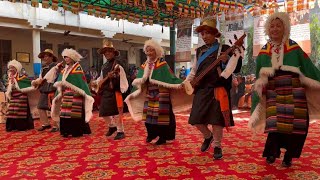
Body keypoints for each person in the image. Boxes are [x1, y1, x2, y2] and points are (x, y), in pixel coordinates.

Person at [249, 12, 320, 167]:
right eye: (272, 26)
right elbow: (259, 75)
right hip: (274, 92)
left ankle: (289, 155)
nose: (275, 29)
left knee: (298, 124)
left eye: (278, 25)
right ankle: (272, 153)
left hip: (295, 92)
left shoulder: (294, 47)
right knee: (274, 124)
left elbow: (308, 68)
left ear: (285, 28)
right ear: (268, 29)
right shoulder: (263, 50)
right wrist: (260, 88)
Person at [185, 16, 242, 159]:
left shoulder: (225, 49)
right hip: (202, 88)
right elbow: (194, 70)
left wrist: (227, 59)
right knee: (196, 119)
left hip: (218, 88)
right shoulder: (199, 51)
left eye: (208, 33)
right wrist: (186, 82)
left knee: (217, 120)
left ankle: (217, 145)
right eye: (202, 33)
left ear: (215, 33)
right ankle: (207, 136)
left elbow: (235, 68)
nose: (204, 36)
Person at [125, 39, 191, 145]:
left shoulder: (162, 64)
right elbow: (140, 79)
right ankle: (151, 134)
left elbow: (170, 78)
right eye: (148, 50)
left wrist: (181, 84)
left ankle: (163, 137)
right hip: (150, 93)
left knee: (162, 118)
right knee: (148, 117)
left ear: (157, 51)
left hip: (162, 93)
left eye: (152, 50)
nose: (149, 53)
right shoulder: (144, 65)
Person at [44, 48, 94, 137]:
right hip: (66, 93)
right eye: (64, 57)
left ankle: (76, 131)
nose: (65, 59)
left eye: (67, 57)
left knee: (74, 112)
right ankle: (66, 131)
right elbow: (60, 80)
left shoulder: (77, 68)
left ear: (72, 57)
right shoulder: (65, 69)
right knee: (64, 112)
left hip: (76, 94)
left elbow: (80, 81)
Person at [92, 40, 128, 140]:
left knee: (117, 113)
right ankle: (112, 127)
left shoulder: (118, 65)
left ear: (113, 52)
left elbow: (124, 78)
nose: (107, 53)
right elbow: (101, 78)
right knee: (103, 112)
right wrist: (95, 83)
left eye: (109, 51)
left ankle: (121, 131)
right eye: (105, 52)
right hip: (106, 91)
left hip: (115, 91)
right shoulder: (104, 66)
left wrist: (122, 90)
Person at [32, 49, 59, 132]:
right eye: (43, 56)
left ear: (51, 57)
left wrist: (56, 88)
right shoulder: (43, 68)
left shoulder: (57, 66)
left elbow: (59, 78)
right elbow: (41, 78)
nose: (44, 58)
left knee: (54, 108)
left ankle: (56, 125)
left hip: (53, 90)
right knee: (40, 106)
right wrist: (36, 81)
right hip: (44, 89)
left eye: (46, 56)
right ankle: (45, 124)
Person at [5, 60, 35, 131]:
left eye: (13, 67)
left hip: (21, 96)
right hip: (13, 96)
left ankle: (21, 127)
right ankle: (11, 127)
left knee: (19, 110)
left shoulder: (22, 77)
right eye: (10, 68)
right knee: (11, 111)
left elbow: (27, 84)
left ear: (16, 68)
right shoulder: (9, 77)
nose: (11, 69)